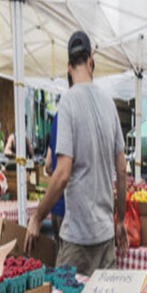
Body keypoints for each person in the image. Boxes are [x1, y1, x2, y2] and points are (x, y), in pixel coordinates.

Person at [24, 30, 127, 273]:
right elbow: (122, 169)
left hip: (77, 241)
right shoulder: (109, 105)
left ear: (69, 67)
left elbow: (61, 174)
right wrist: (120, 220)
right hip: (105, 238)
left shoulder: (68, 103)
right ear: (92, 61)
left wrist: (37, 217)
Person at [43, 112, 65, 251]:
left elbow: (48, 165)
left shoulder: (58, 116)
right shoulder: (78, 113)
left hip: (56, 205)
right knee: (71, 267)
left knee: (59, 254)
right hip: (70, 210)